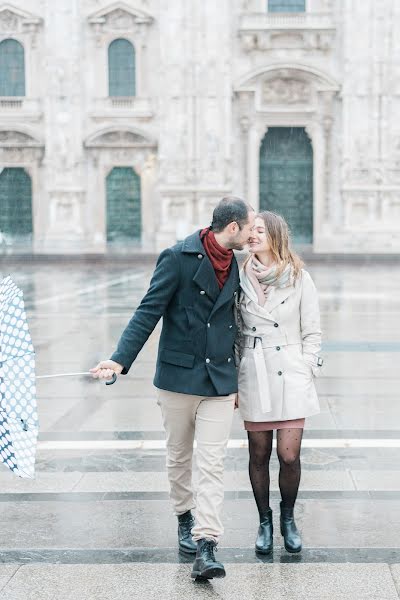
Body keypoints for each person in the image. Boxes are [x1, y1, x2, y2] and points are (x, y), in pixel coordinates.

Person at [91, 197, 255, 580]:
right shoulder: (177, 257)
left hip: (219, 381)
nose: (251, 233)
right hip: (179, 377)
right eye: (248, 227)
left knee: (211, 464)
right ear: (232, 227)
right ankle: (184, 515)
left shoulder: (239, 265)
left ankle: (207, 543)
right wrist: (119, 359)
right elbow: (148, 310)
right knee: (180, 457)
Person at [236, 211, 323, 555]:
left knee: (288, 455)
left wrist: (306, 368)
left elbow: (312, 331)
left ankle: (288, 519)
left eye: (260, 230)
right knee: (259, 454)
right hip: (255, 371)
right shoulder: (238, 276)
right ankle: (265, 521)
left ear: (275, 235)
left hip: (290, 373)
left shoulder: (300, 277)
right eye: (250, 231)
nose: (252, 236)